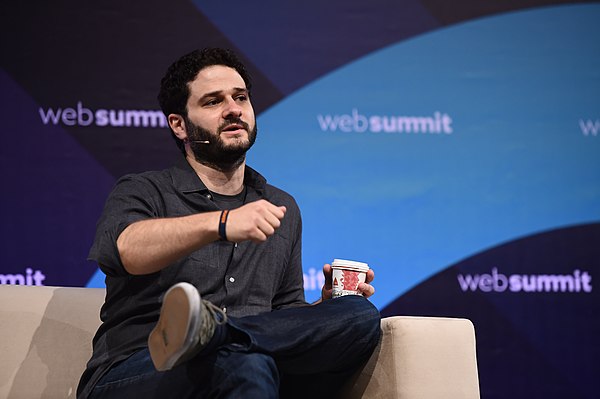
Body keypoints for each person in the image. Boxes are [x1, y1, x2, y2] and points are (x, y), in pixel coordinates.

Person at [77, 48, 381, 399]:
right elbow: (128, 249)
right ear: (179, 124)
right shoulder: (144, 189)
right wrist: (220, 223)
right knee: (246, 363)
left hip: (247, 364)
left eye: (240, 97)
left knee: (358, 316)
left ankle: (218, 331)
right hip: (138, 371)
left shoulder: (281, 206)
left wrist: (320, 308)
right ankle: (217, 337)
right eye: (212, 102)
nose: (234, 109)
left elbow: (284, 312)